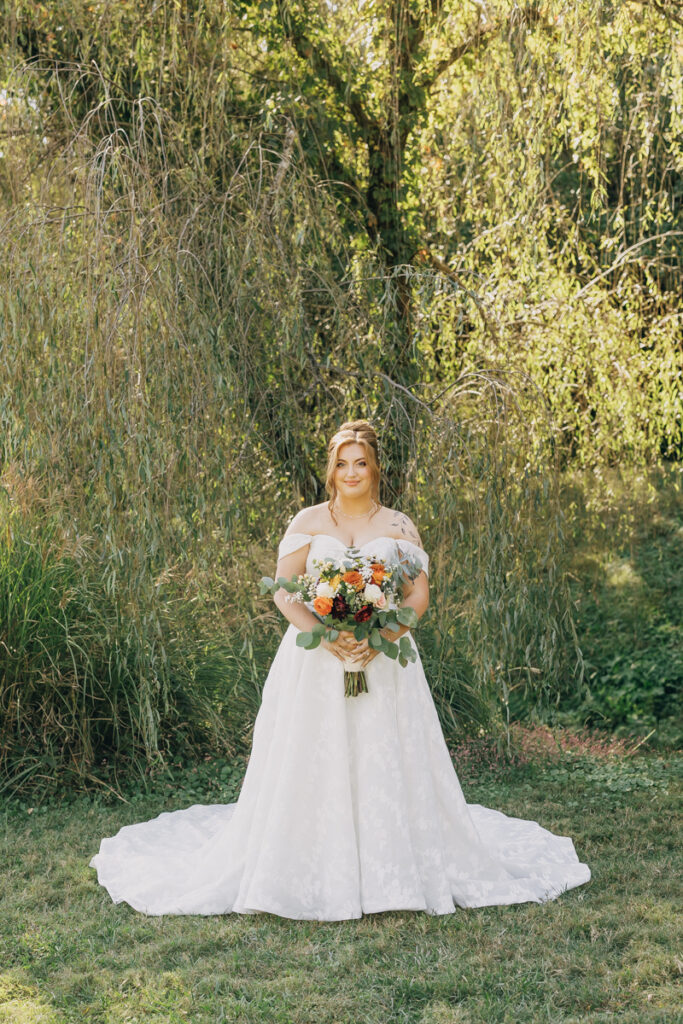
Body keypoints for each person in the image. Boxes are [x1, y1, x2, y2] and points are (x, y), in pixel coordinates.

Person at [90, 419, 590, 919]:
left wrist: (382, 637)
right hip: (315, 662)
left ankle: (389, 871)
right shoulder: (308, 520)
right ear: (331, 470)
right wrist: (329, 636)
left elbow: (418, 594)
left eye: (362, 463)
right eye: (342, 464)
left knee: (384, 752)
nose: (352, 472)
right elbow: (285, 589)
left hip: (386, 662)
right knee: (312, 756)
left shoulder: (398, 525)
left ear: (375, 469)